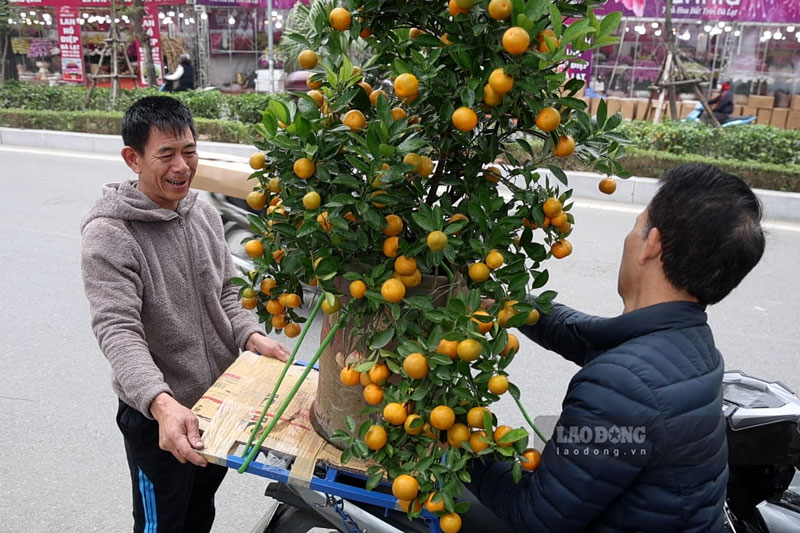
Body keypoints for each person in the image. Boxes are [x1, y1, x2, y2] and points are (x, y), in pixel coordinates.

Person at [467, 163, 765, 532]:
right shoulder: (692, 341)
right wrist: (510, 304)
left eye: (636, 227)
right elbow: (590, 336)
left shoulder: (622, 387)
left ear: (652, 245)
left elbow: (538, 517)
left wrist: (455, 442)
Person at [81, 95, 289, 533]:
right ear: (133, 159)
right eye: (167, 154)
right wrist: (161, 403)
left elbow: (227, 291)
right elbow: (118, 330)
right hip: (158, 416)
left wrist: (250, 336)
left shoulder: (204, 215)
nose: (182, 166)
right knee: (162, 524)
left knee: (199, 513)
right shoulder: (110, 234)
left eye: (189, 151)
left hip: (216, 403)